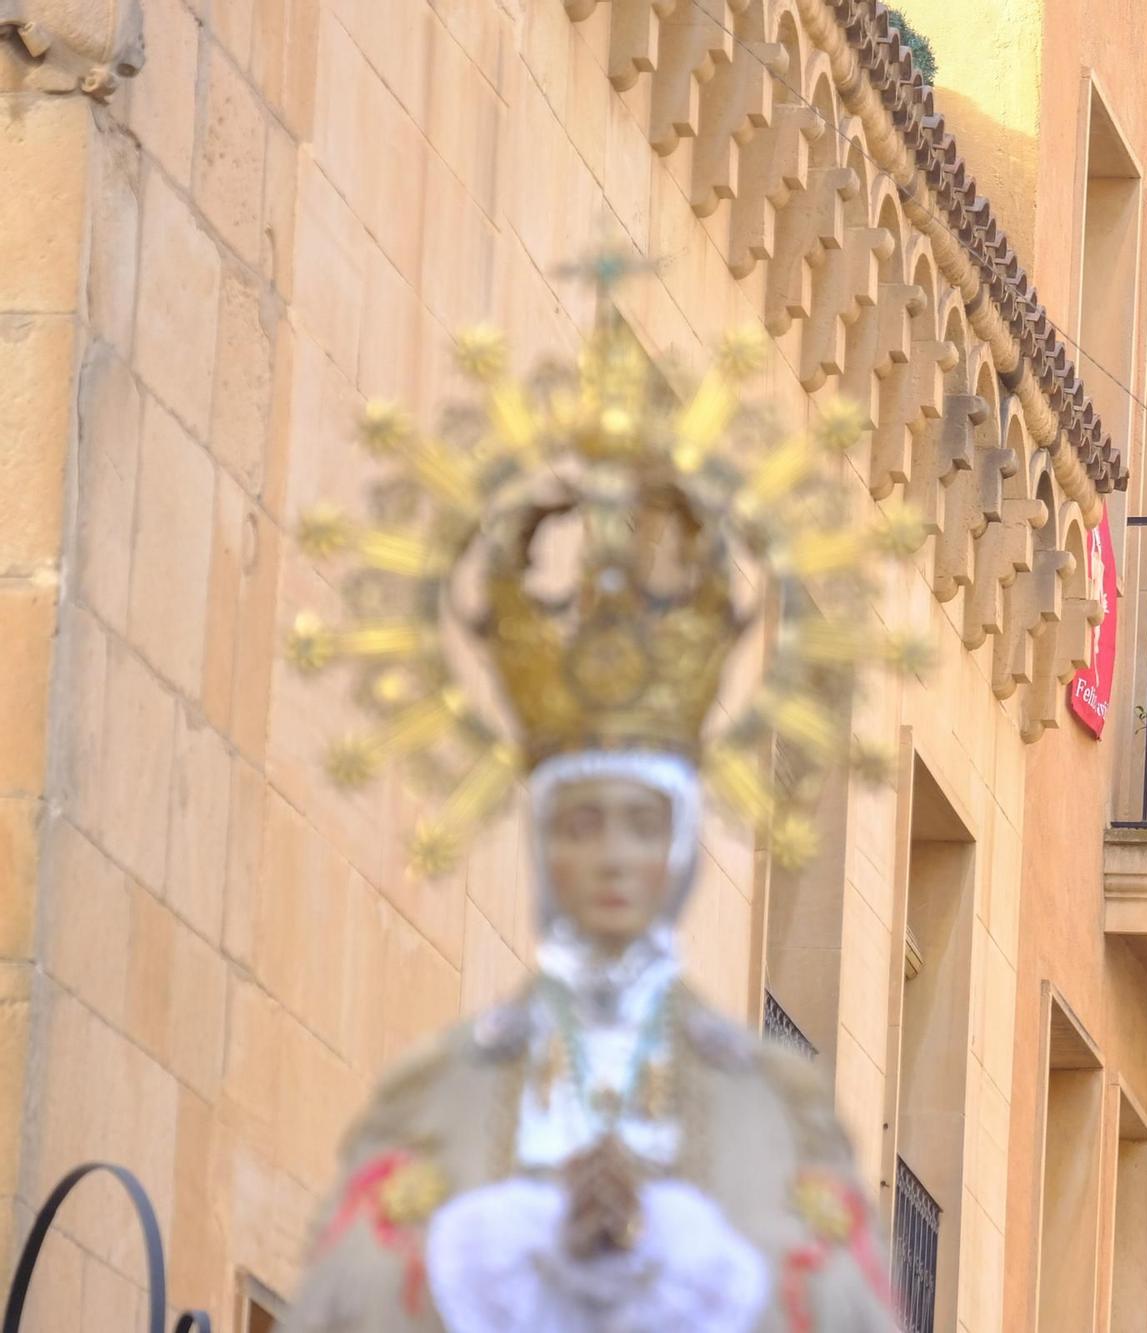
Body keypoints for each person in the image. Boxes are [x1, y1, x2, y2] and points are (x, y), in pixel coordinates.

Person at [277, 310, 900, 1332]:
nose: (611, 854)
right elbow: (341, 1297)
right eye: (581, 824)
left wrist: (712, 1274)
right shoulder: (442, 1090)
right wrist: (488, 1258)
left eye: (639, 825)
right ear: (540, 844)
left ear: (683, 849)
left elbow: (841, 1305)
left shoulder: (771, 1106)